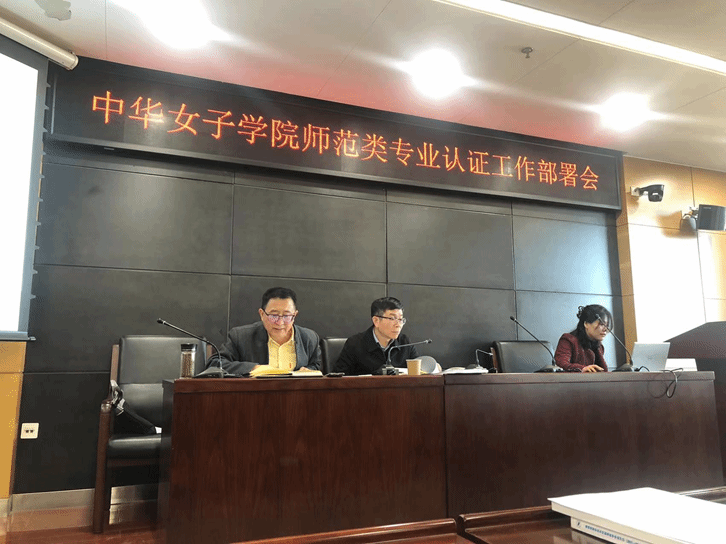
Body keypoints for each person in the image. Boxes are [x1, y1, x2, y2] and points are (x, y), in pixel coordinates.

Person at [208, 287, 321, 375]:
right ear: (262, 314)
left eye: (286, 316)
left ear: (294, 315)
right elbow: (215, 364)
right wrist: (254, 368)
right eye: (273, 316)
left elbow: (316, 365)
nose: (280, 322)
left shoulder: (309, 338)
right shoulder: (241, 336)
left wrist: (308, 370)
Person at [333, 297, 419, 375]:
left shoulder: (405, 343)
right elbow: (338, 379)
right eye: (392, 318)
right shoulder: (355, 344)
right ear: (376, 321)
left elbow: (419, 375)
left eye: (400, 319)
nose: (398, 325)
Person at [554, 304, 612, 372]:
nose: (605, 329)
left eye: (607, 325)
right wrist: (582, 368)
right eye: (602, 324)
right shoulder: (568, 340)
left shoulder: (599, 346)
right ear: (586, 324)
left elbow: (604, 372)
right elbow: (561, 365)